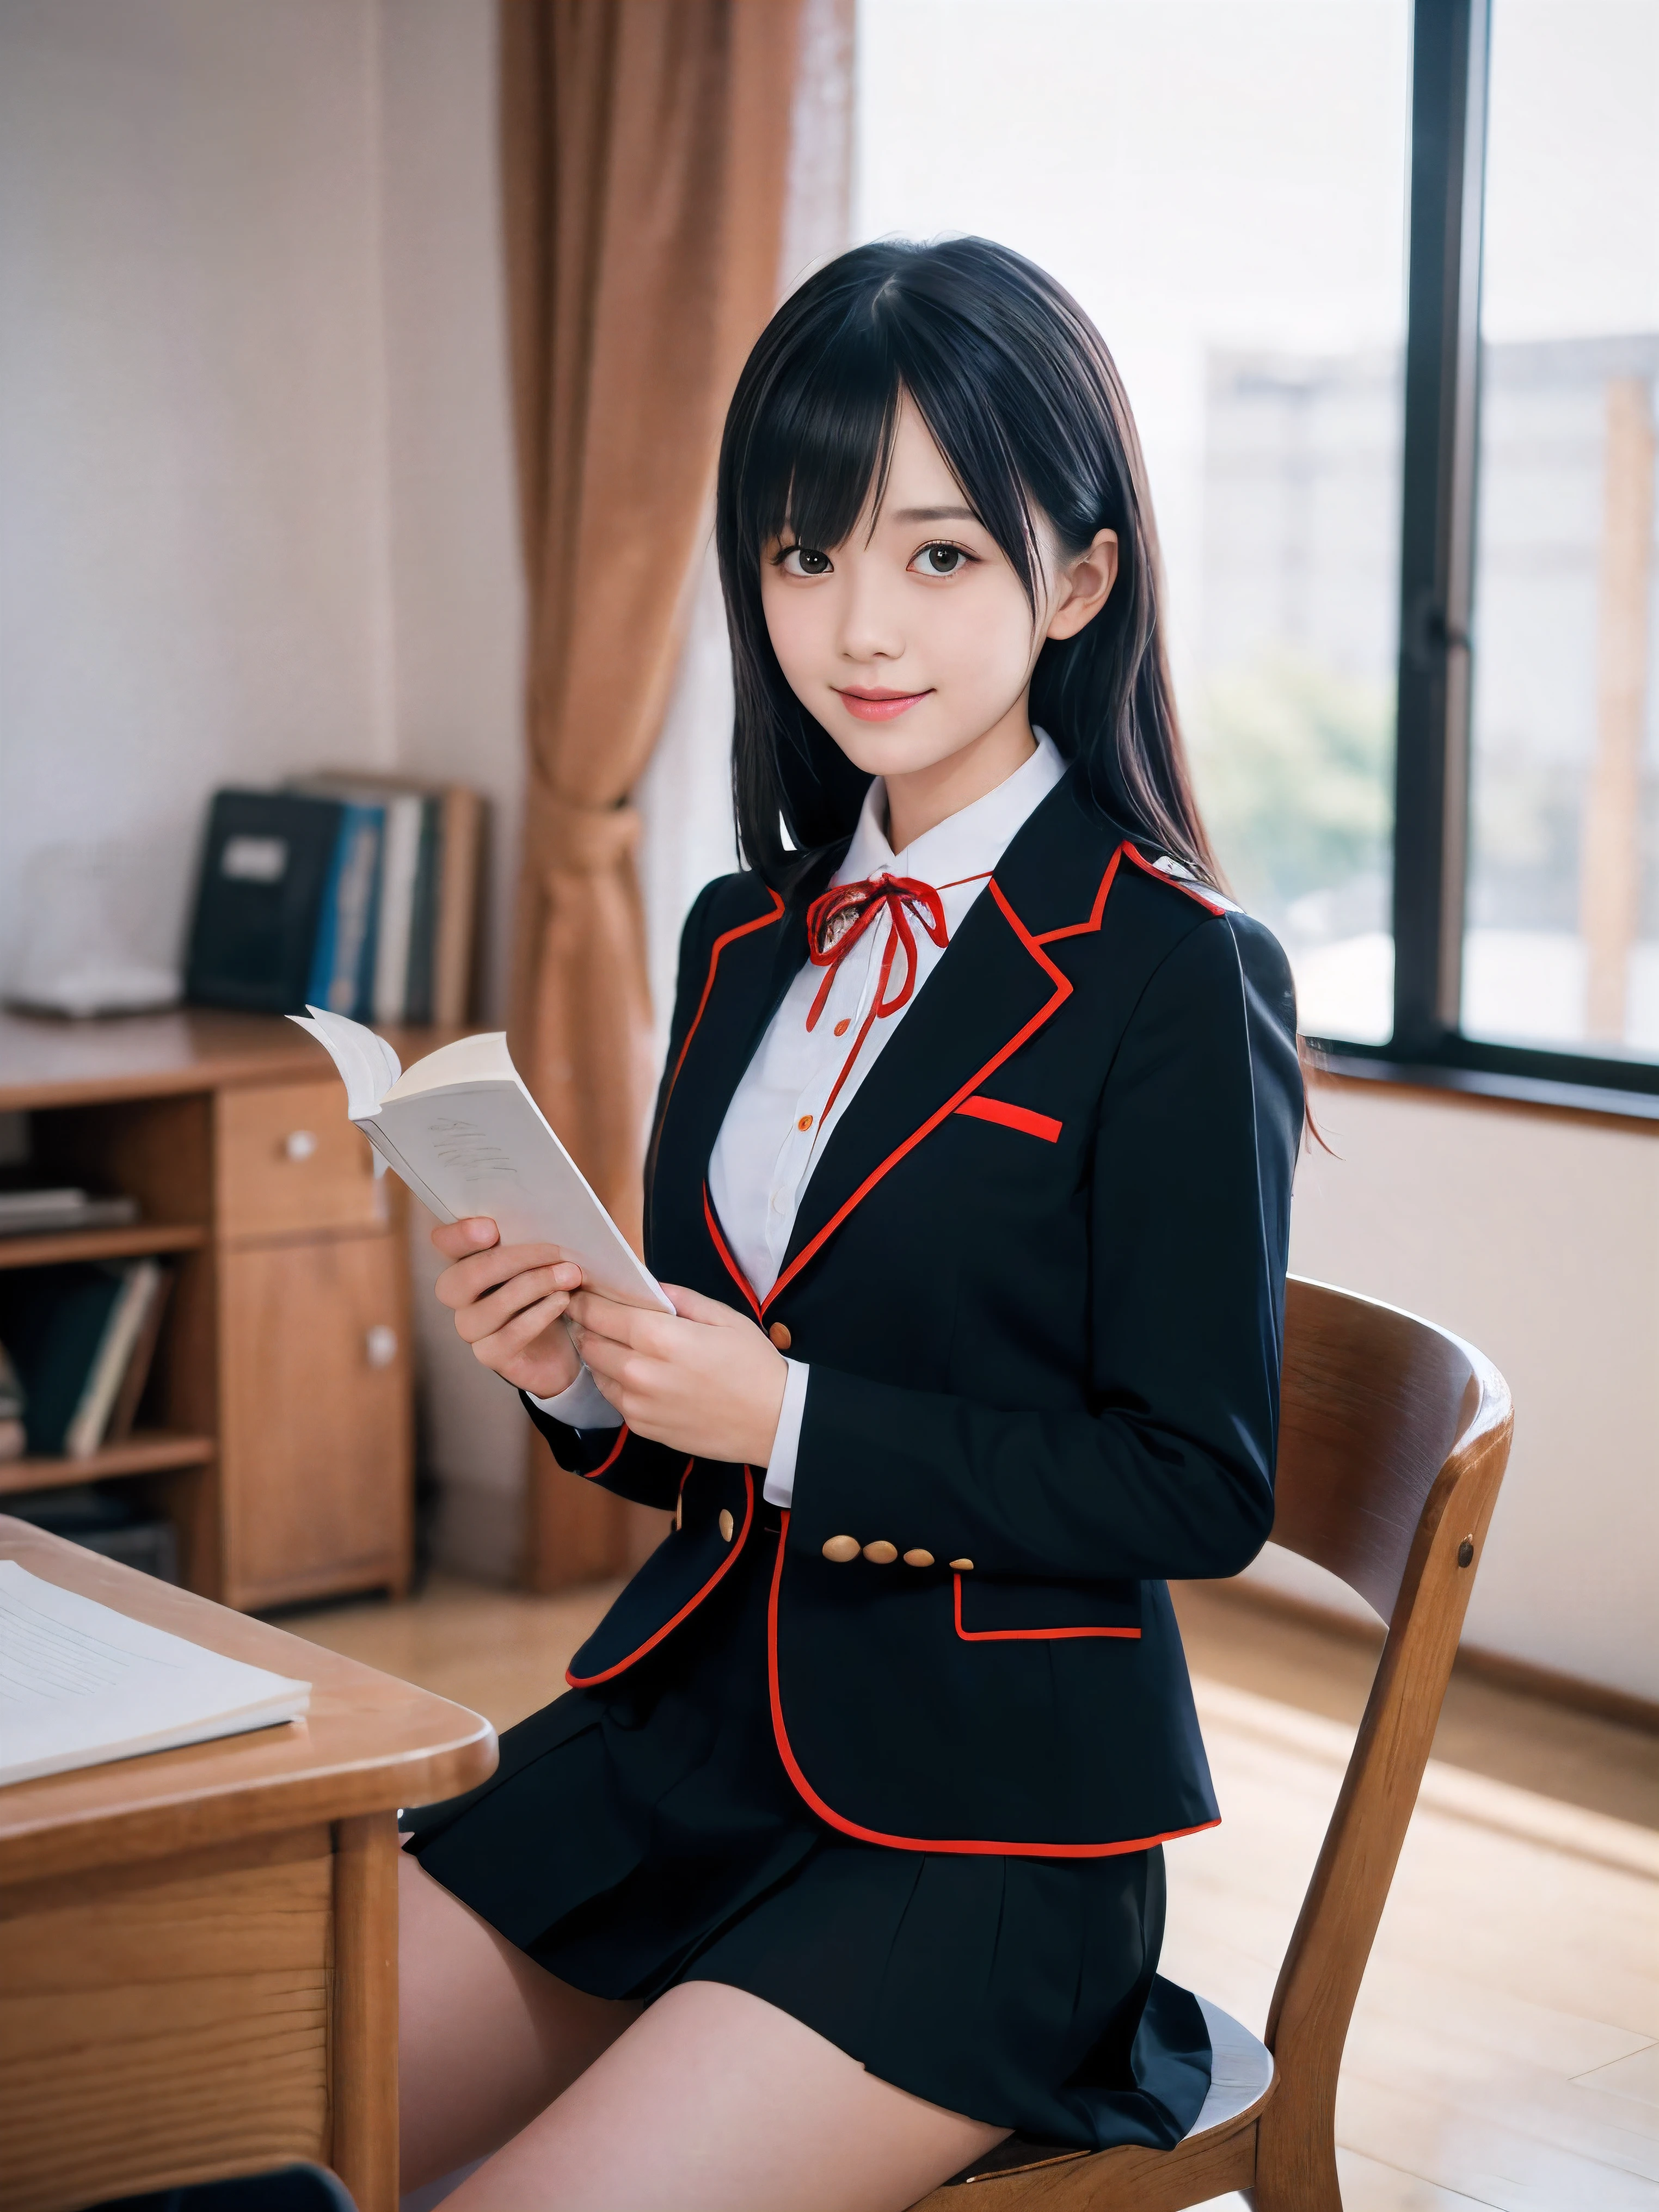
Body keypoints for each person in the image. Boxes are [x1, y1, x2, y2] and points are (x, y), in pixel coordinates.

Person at [397, 236, 1302, 2212]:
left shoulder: (1174, 972)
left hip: (993, 1833)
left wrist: (792, 1420)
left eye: (939, 555)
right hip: (679, 1741)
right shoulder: (739, 937)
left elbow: (1195, 1484)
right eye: (804, 555)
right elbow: (686, 1433)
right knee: (215, 2096)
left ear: (1078, 578)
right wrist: (579, 1376)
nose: (858, 624)